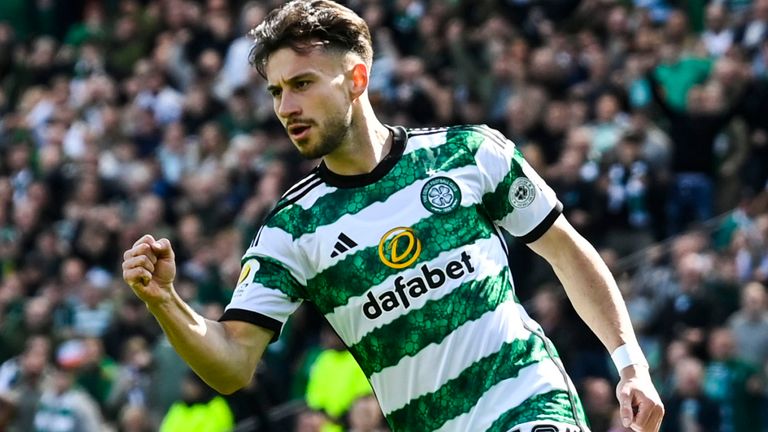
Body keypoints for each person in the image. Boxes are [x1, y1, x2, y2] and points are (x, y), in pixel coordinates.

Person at [121, 1, 664, 431]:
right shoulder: (292, 230)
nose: (286, 107)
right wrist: (165, 302)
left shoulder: (467, 155)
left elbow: (567, 253)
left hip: (528, 400)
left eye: (303, 84)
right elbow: (233, 364)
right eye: (276, 91)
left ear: (356, 80)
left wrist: (631, 365)